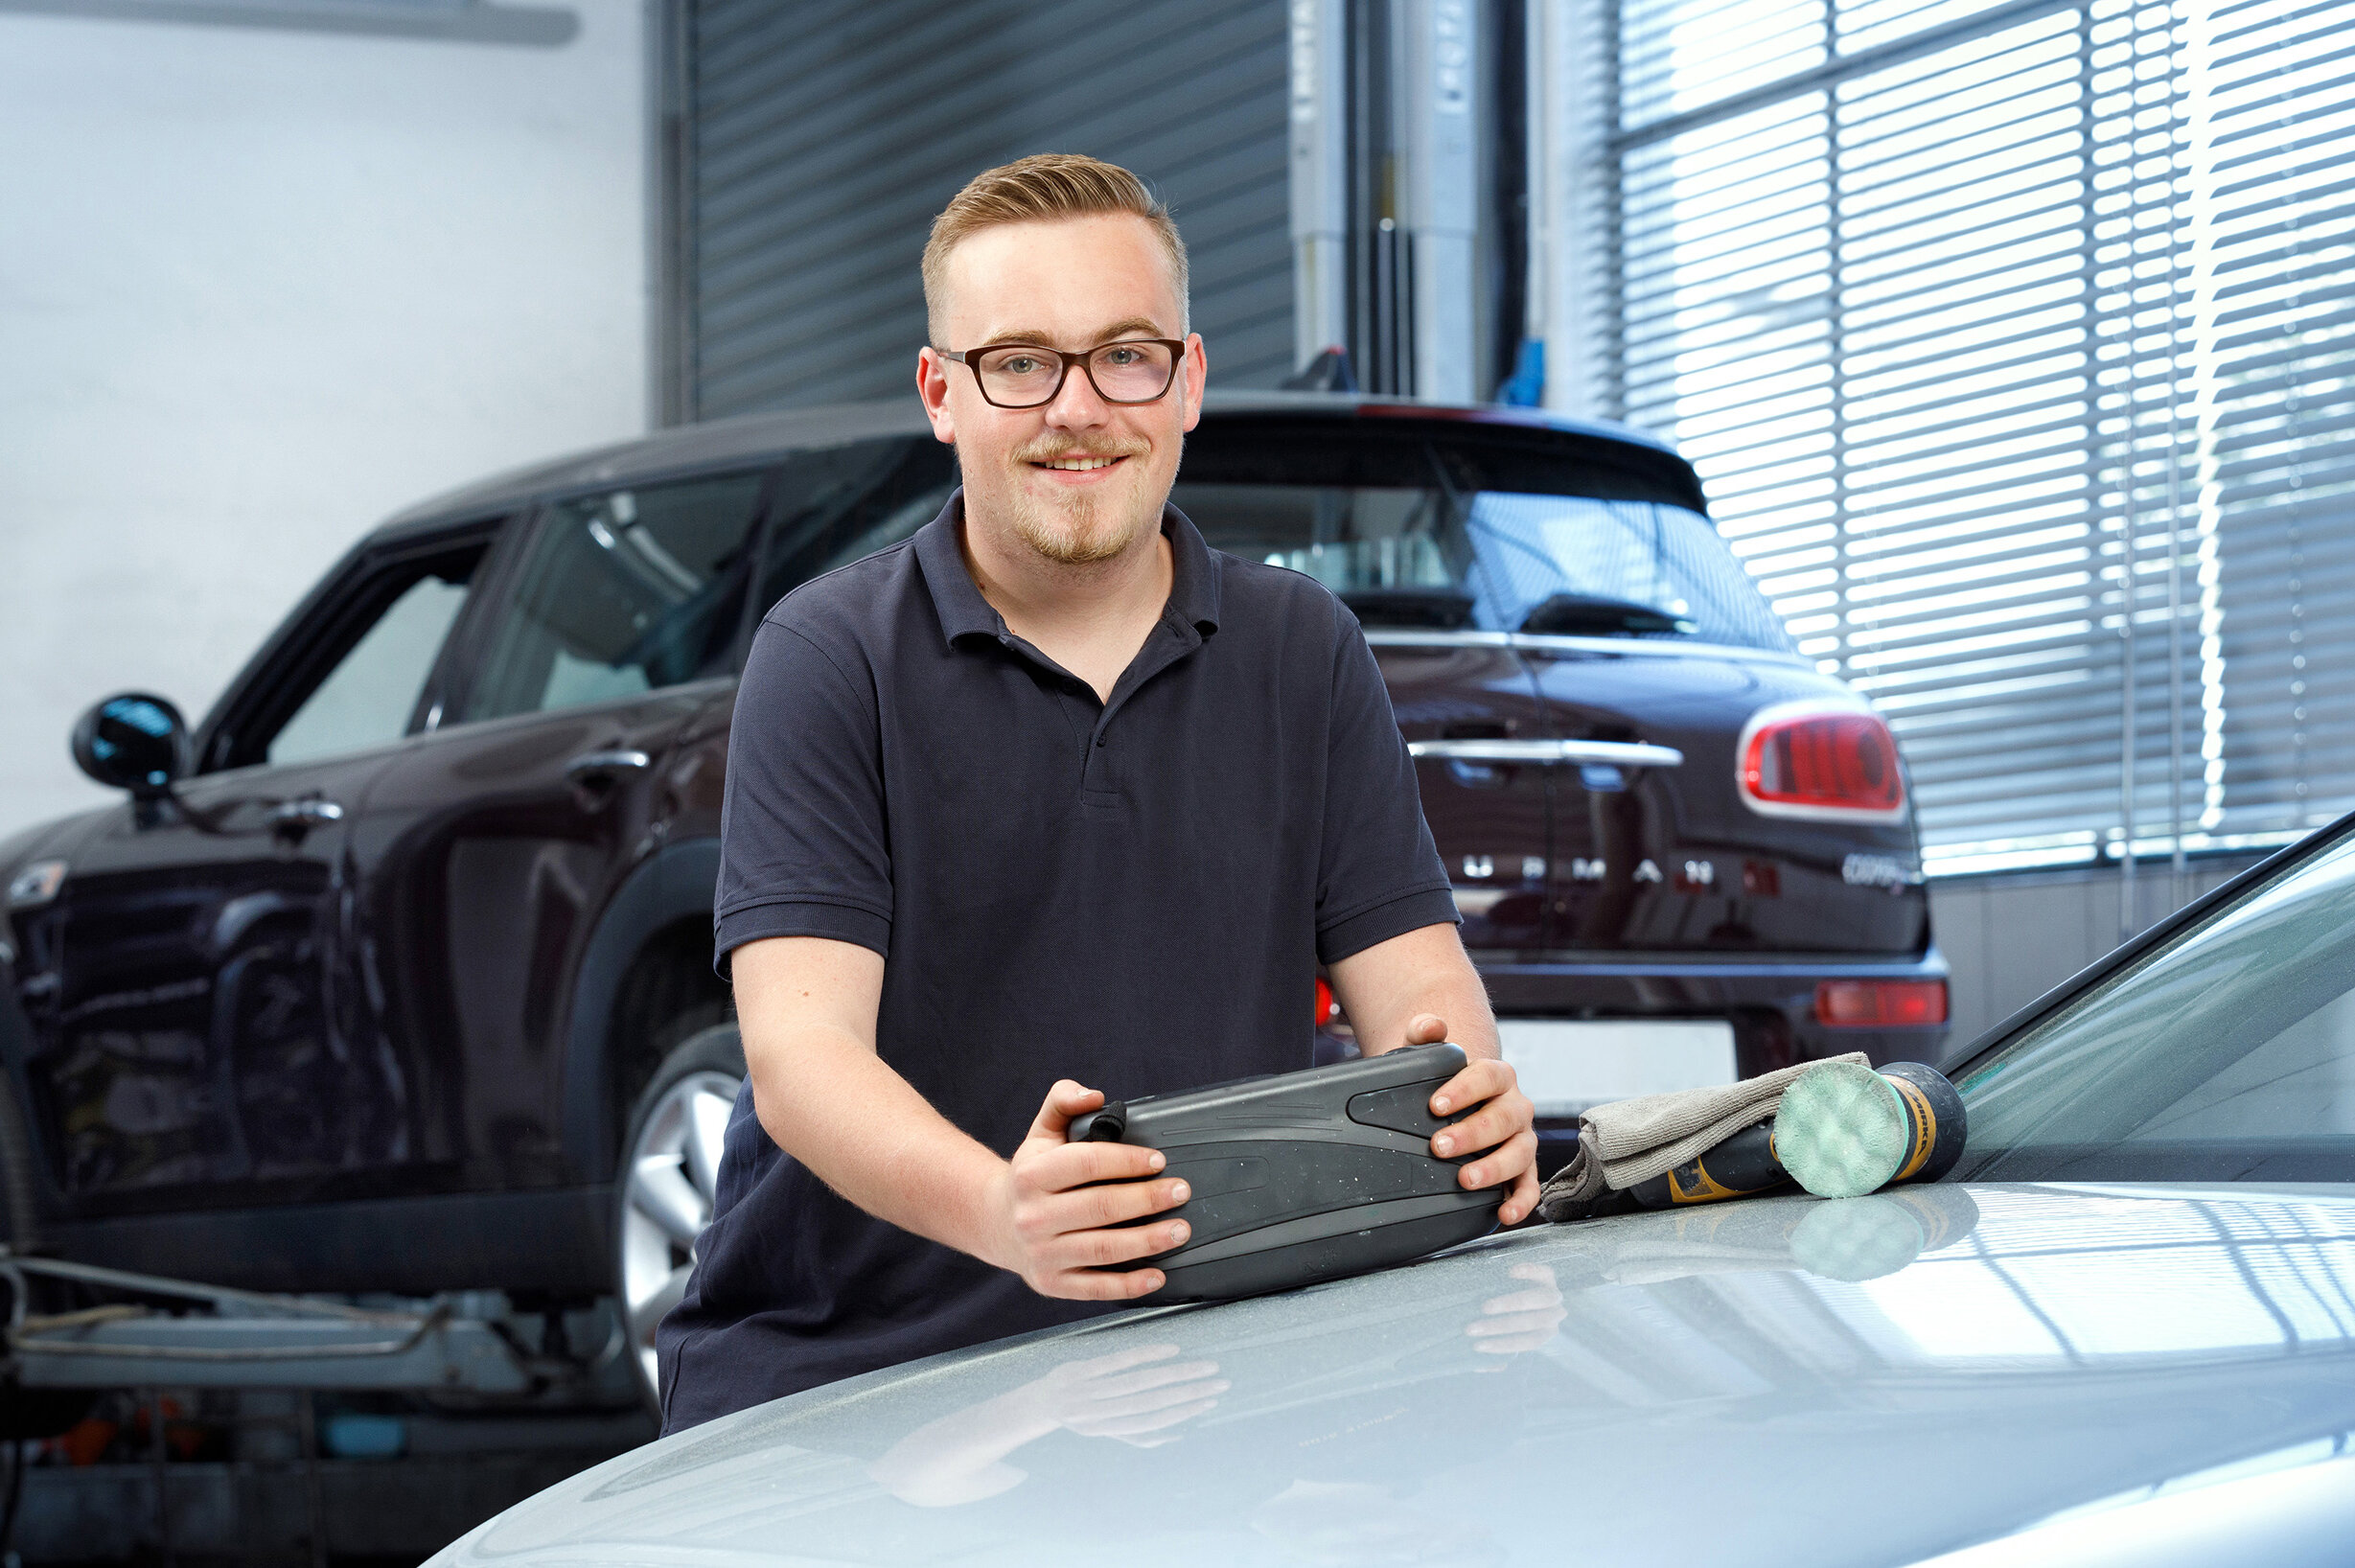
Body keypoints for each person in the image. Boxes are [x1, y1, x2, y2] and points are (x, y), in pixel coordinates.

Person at [657, 153, 1536, 1433]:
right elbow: (802, 1060)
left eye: (1122, 355)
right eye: (1019, 362)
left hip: (1195, 1379)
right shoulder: (829, 652)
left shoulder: (1302, 649)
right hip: (856, 1390)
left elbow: (1421, 1000)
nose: (1077, 408)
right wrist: (1001, 1217)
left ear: (1184, 383)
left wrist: (1463, 1097)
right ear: (940, 395)